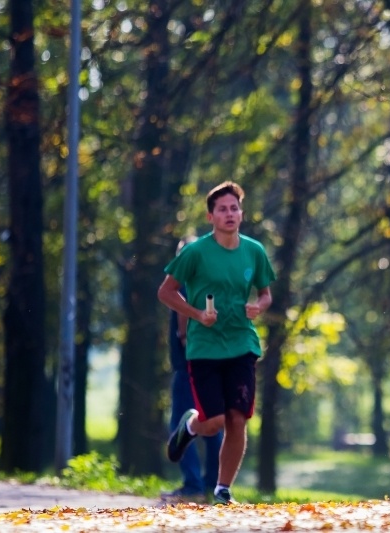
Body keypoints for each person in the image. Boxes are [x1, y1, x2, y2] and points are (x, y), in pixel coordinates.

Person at [158, 181, 275, 505]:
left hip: (242, 343)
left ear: (242, 213)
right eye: (222, 209)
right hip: (205, 347)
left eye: (234, 208)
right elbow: (166, 292)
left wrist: (259, 306)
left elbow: (266, 294)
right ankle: (190, 426)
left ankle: (223, 490)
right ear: (211, 216)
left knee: (238, 417)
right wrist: (196, 314)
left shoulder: (254, 250)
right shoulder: (196, 252)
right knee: (214, 423)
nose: (229, 214)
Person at [160, 239, 223, 504]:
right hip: (214, 361)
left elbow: (183, 309)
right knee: (211, 422)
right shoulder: (211, 281)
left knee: (183, 422)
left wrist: (185, 339)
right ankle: (212, 483)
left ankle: (192, 484)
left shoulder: (184, 282)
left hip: (190, 364)